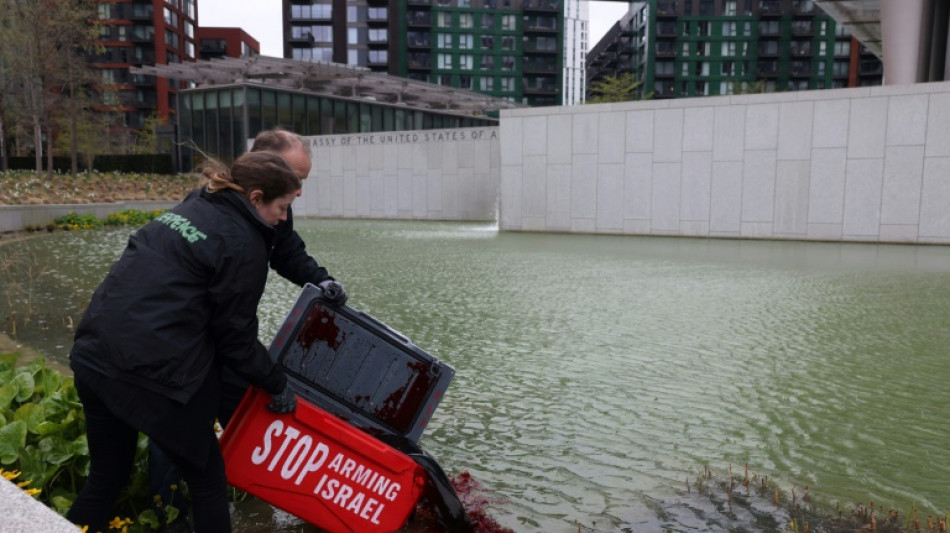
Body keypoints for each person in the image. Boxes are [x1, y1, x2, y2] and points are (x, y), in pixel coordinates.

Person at [66, 151, 304, 533]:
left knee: (107, 479)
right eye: (282, 208)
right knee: (207, 477)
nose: (283, 219)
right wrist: (275, 383)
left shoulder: (195, 204)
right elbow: (235, 339)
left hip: (95, 356)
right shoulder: (244, 244)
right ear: (256, 198)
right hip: (150, 373)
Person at [147, 127, 349, 525]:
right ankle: (168, 515)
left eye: (303, 181)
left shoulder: (269, 204)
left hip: (222, 345)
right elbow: (231, 325)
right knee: (173, 437)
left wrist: (321, 279)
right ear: (264, 171)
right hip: (187, 349)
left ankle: (279, 497)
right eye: (296, 179)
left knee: (257, 409)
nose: (299, 191)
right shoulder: (221, 215)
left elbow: (287, 251)